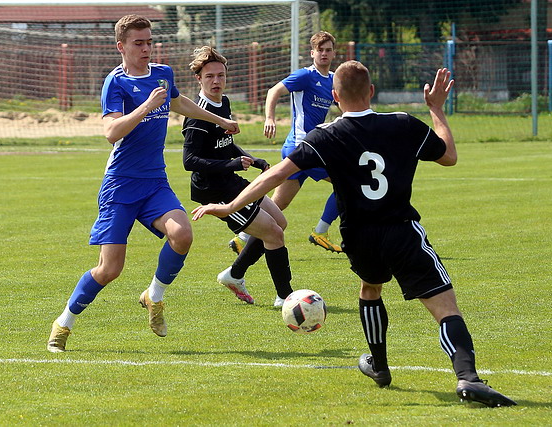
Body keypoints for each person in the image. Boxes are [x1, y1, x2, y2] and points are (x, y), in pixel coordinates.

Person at [191, 62, 517, 407]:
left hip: (359, 237)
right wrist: (436, 109)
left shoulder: (325, 136)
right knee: (445, 307)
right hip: (401, 230)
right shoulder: (403, 123)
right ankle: (468, 378)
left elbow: (275, 176)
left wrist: (231, 206)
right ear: (371, 91)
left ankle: (379, 365)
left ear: (335, 96)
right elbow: (448, 156)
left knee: (370, 289)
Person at [46, 15, 239, 353]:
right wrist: (147, 106)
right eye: (139, 43)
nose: (146, 48)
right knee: (109, 269)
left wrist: (219, 119)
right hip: (120, 185)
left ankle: (154, 296)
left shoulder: (163, 73)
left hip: (154, 181)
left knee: (182, 234)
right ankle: (64, 322)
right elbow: (111, 132)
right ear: (121, 46)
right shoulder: (115, 82)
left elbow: (178, 102)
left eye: (149, 41)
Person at [182, 46, 293, 307]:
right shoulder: (197, 115)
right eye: (210, 76)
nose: (216, 81)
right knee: (273, 234)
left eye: (220, 75)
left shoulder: (224, 102)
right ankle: (285, 297)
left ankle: (234, 274)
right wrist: (231, 164)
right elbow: (189, 161)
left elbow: (226, 143)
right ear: (199, 79)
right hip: (214, 191)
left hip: (230, 181)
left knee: (279, 223)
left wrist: (253, 160)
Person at [229, 30, 342, 255]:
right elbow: (274, 91)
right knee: (346, 183)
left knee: (278, 203)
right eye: (320, 50)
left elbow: (344, 107)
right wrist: (269, 118)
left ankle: (242, 239)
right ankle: (321, 231)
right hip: (303, 147)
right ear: (312, 53)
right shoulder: (305, 76)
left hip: (306, 148)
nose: (324, 54)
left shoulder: (332, 80)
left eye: (328, 50)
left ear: (333, 53)